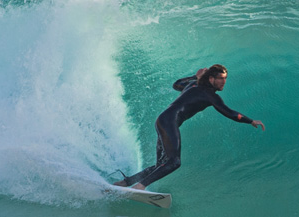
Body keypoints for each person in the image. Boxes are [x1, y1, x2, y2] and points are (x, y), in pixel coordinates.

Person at [114, 64, 265, 190]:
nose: (223, 82)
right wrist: (250, 121)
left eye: (225, 79)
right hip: (170, 122)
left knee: (162, 164)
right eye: (220, 79)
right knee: (174, 162)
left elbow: (177, 84)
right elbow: (230, 113)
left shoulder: (194, 84)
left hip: (162, 120)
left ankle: (125, 183)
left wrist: (195, 77)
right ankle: (140, 186)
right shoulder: (210, 95)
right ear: (211, 79)